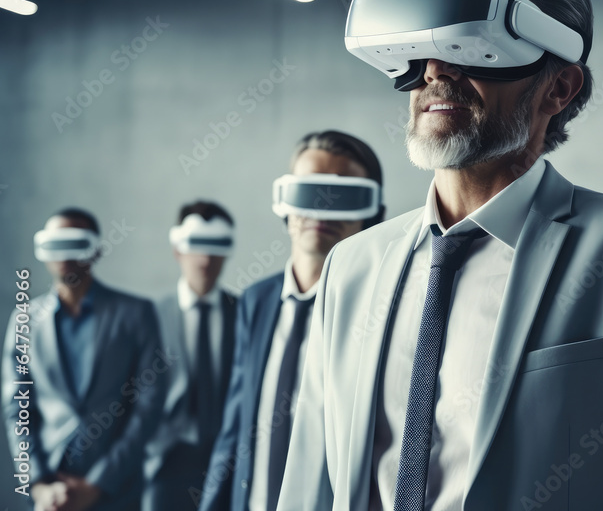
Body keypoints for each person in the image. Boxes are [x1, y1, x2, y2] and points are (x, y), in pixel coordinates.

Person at [278, 0, 603, 509]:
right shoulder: (351, 266)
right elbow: (311, 485)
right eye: (424, 45)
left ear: (559, 88)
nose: (436, 70)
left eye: (471, 45)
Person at [199, 131, 384, 511]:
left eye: (341, 196)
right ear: (284, 203)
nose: (320, 209)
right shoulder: (256, 301)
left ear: (372, 212)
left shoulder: (387, 307)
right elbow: (235, 424)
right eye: (307, 192)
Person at [3, 208, 166, 511]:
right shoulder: (24, 320)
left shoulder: (135, 314)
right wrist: (38, 484)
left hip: (117, 491)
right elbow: (17, 408)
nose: (64, 254)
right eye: (56, 244)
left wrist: (98, 484)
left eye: (74, 243)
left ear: (97, 250)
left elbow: (149, 405)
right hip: (48, 491)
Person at [144, 201, 239, 511]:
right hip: (166, 459)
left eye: (216, 245)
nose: (205, 257)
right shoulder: (150, 317)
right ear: (177, 248)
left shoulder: (244, 313)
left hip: (228, 461)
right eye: (197, 243)